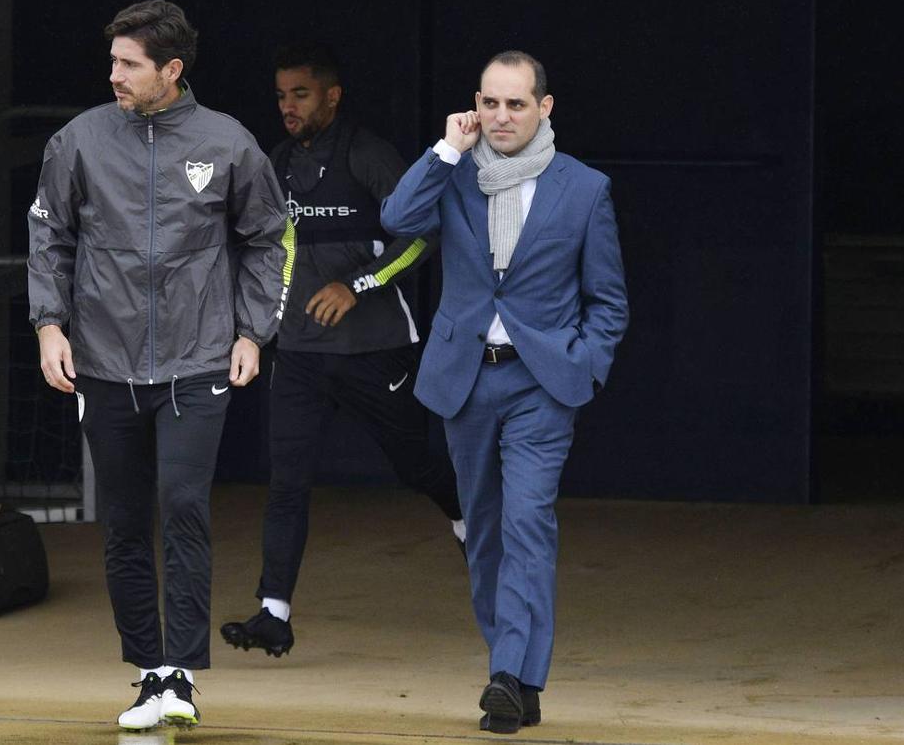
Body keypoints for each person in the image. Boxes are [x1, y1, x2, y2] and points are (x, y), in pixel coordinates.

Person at [27, 0, 289, 732]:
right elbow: (48, 235)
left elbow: (269, 237)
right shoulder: (78, 140)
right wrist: (49, 325)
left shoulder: (227, 141)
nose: (113, 74)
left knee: (182, 506)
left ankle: (182, 671)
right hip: (104, 362)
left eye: (128, 64)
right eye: (112, 61)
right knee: (122, 521)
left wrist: (252, 331)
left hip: (198, 358)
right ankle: (149, 672)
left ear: (170, 70)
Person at [380, 51, 628, 734]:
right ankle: (519, 674)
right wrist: (444, 150)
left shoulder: (584, 189)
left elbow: (608, 301)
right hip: (465, 379)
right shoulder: (454, 176)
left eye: (516, 104)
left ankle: (504, 675)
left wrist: (584, 365)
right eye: (490, 103)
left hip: (540, 384)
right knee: (484, 530)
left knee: (526, 522)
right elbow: (398, 219)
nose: (501, 116)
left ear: (545, 108)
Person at [219, 44, 465, 658]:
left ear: (332, 95)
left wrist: (358, 285)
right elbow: (274, 252)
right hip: (300, 353)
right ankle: (273, 613)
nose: (287, 107)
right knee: (286, 483)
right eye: (280, 96)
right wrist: (260, 326)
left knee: (414, 464)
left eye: (300, 94)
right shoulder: (275, 163)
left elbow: (424, 237)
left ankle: (468, 521)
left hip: (375, 348)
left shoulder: (369, 154)